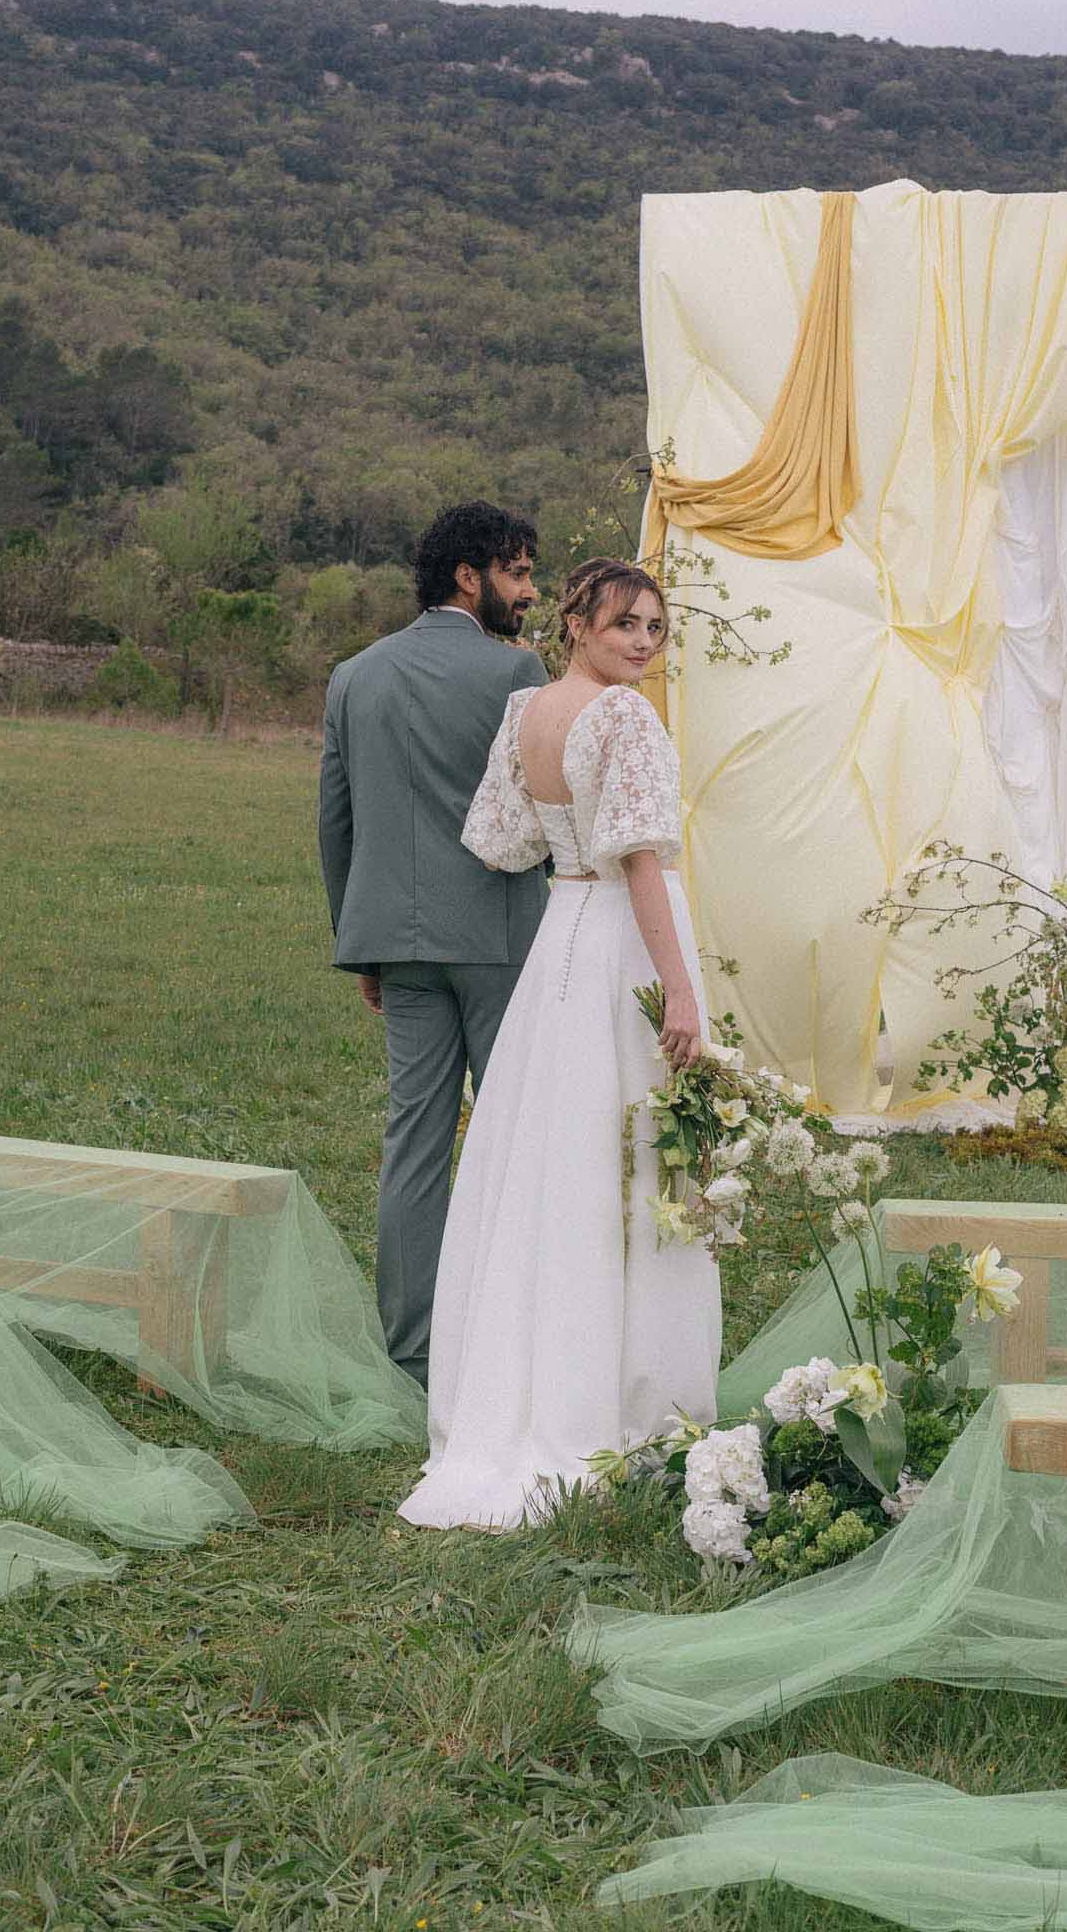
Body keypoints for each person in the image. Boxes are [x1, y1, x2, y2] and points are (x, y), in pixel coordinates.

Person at [398, 559, 722, 1530]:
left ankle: (531, 1387)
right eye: (625, 623)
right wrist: (677, 990)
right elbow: (640, 858)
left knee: (555, 1159)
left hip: (561, 935)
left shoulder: (527, 712)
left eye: (655, 628)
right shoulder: (623, 716)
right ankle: (623, 1403)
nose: (642, 642)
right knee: (633, 1158)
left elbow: (504, 842)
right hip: (621, 937)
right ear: (578, 622)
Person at [318, 501, 549, 1391]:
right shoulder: (516, 671)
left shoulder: (354, 676)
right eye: (517, 573)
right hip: (499, 937)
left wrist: (362, 945)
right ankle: (505, 1340)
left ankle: (413, 1355)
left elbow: (335, 823)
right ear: (467, 575)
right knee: (511, 1138)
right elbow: (539, 806)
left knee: (413, 1141)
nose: (529, 592)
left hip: (397, 942)